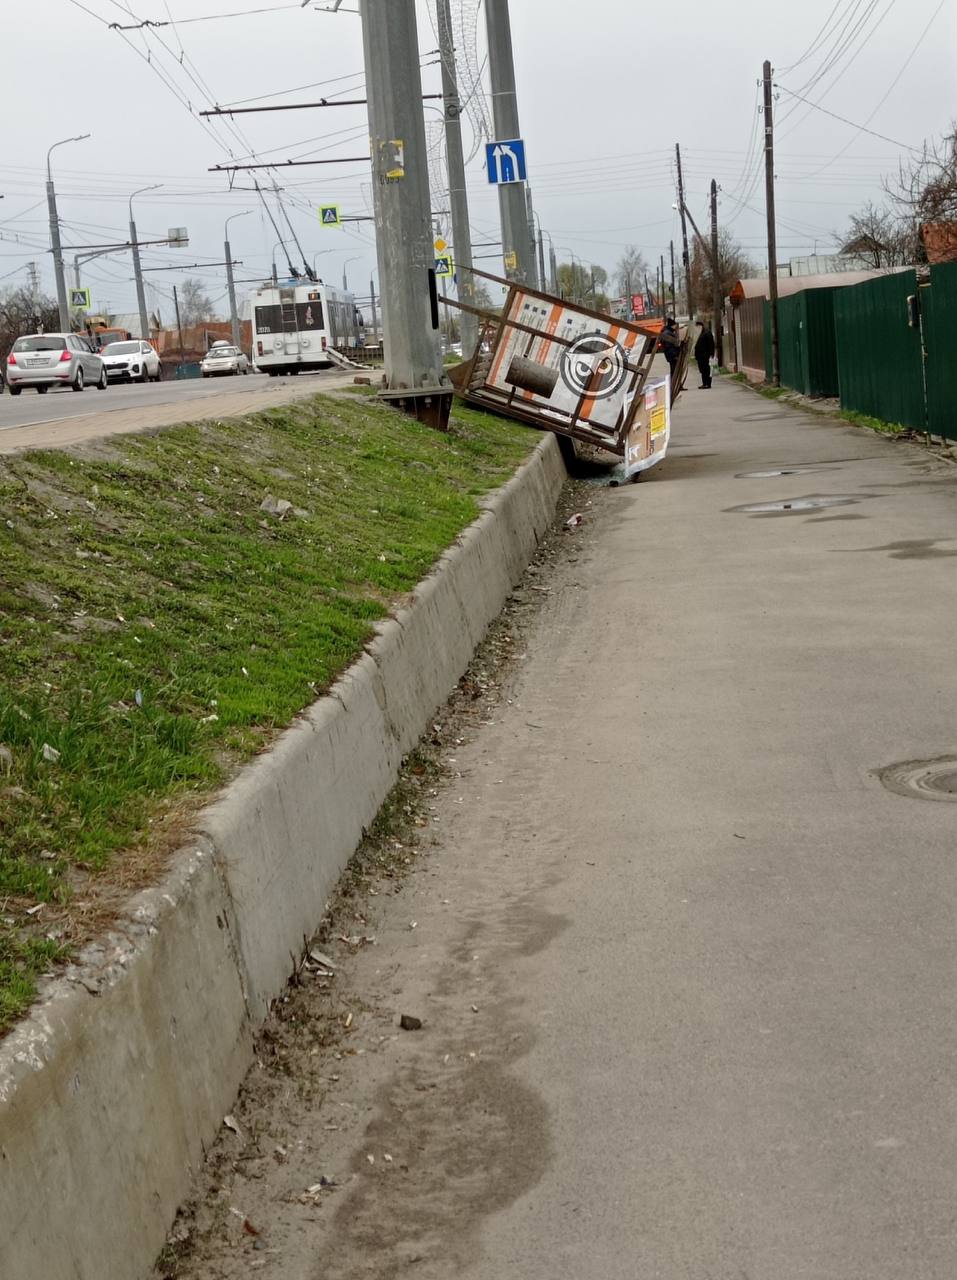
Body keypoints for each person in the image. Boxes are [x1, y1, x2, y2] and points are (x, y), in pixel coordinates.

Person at [694, 320, 716, 389]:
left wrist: (711, 354)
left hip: (705, 355)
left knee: (706, 370)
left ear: (701, 326)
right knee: (702, 370)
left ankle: (707, 384)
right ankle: (704, 383)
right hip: (700, 355)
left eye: (697, 327)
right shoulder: (699, 334)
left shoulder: (707, 333)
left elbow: (711, 344)